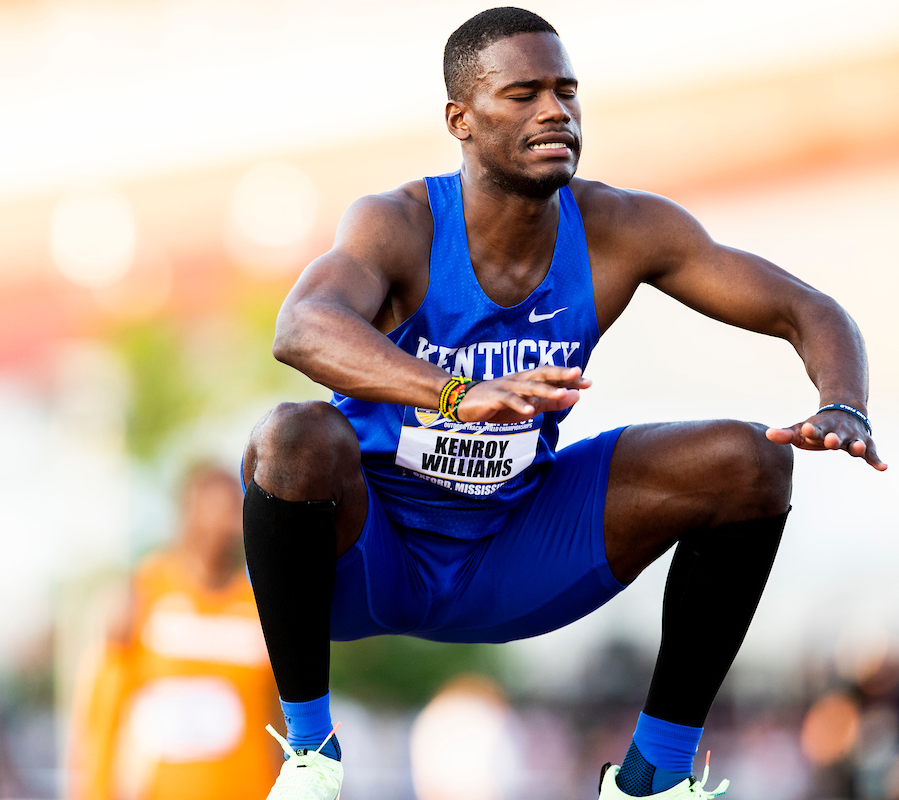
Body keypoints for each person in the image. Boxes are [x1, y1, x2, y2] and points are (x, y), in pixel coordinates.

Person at [240, 7, 887, 800]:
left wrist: (845, 402)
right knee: (292, 437)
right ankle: (311, 757)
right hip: (373, 553)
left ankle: (654, 775)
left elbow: (808, 308)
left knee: (752, 461)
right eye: (523, 93)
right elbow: (302, 329)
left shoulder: (621, 229)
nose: (556, 111)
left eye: (567, 91)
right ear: (462, 120)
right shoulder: (398, 223)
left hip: (517, 546)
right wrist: (456, 391)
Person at [68, 464, 281, 800]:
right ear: (189, 512)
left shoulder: (260, 602)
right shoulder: (144, 590)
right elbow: (103, 709)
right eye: (219, 508)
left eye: (235, 511)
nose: (229, 525)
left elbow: (280, 714)